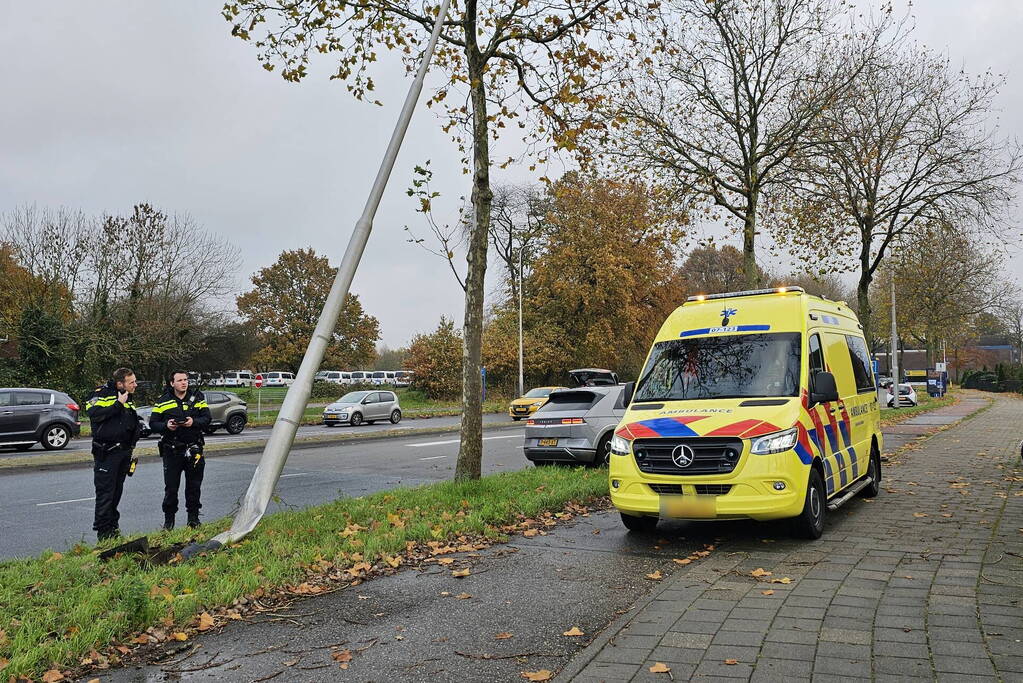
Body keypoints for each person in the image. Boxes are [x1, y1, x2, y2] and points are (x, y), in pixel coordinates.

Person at [150, 370, 211, 529]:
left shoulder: (198, 398)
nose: (184, 383)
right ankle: (169, 522)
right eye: (179, 380)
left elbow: (207, 419)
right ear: (172, 383)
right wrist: (167, 426)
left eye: (185, 380)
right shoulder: (163, 401)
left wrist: (193, 422)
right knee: (171, 488)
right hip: (172, 450)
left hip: (194, 449)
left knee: (194, 487)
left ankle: (194, 520)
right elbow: (153, 423)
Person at [86, 367, 141, 541]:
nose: (135, 385)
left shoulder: (128, 398)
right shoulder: (100, 394)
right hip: (106, 453)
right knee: (105, 494)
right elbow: (94, 414)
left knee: (116, 493)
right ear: (120, 383)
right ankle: (103, 533)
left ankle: (113, 529)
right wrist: (118, 404)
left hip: (123, 453)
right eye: (131, 382)